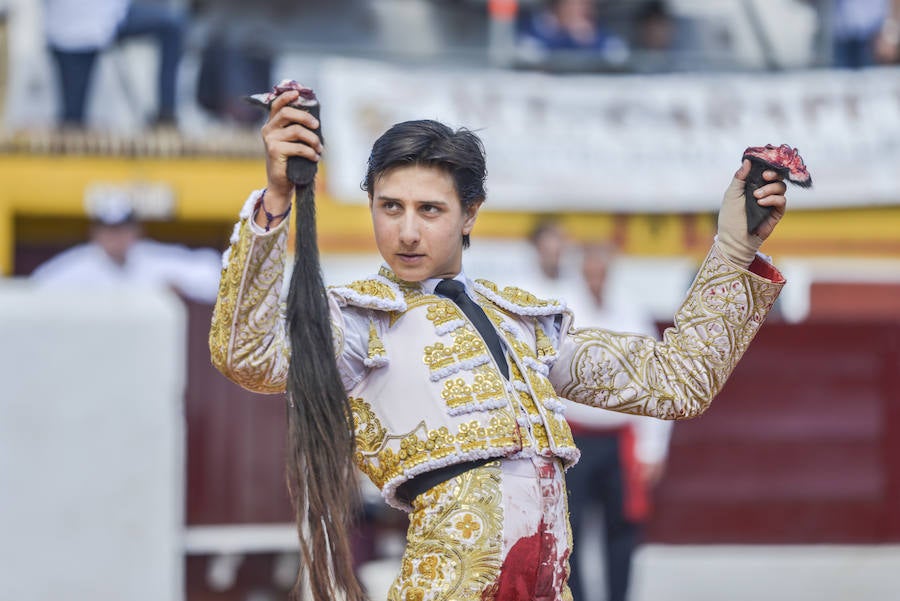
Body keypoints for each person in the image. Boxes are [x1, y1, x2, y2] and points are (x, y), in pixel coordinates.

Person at [209, 88, 789, 601]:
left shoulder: (523, 322)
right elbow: (248, 355)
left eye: (429, 209)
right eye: (391, 207)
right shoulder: (359, 322)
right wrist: (275, 204)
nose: (407, 230)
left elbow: (675, 382)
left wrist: (733, 251)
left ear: (470, 215)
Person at [563, 239, 672, 601]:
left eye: (602, 265)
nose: (596, 272)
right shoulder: (561, 309)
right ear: (580, 267)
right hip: (572, 439)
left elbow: (655, 382)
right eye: (590, 264)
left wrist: (652, 448)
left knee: (622, 528)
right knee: (569, 529)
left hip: (619, 438)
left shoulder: (630, 311)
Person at [31, 193, 222, 303]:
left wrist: (181, 283)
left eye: (122, 230)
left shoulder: (150, 259)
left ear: (136, 231)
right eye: (109, 230)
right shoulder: (78, 266)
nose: (116, 238)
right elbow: (34, 292)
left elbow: (213, 273)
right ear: (95, 233)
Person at [44, 0, 185, 126]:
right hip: (71, 32)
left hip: (113, 14)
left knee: (172, 26)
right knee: (72, 123)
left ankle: (166, 114)